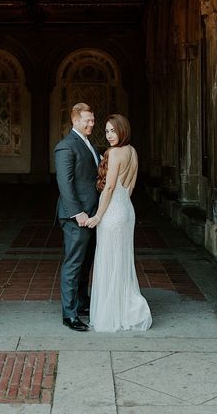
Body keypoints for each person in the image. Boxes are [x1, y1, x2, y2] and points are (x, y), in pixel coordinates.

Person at [86, 114, 152, 332]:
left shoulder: (115, 153)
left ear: (122, 130)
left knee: (109, 260)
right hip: (126, 210)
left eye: (113, 131)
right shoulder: (133, 151)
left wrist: (98, 216)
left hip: (112, 213)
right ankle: (125, 307)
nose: (109, 135)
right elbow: (130, 187)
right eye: (106, 131)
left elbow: (110, 187)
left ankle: (112, 312)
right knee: (122, 260)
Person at [54, 102, 100, 332]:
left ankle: (82, 303)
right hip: (76, 217)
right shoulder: (66, 146)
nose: (91, 123)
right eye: (87, 120)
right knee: (73, 264)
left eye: (92, 120)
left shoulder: (88, 144)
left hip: (92, 215)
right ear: (75, 120)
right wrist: (78, 213)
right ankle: (69, 314)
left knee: (85, 263)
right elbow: (65, 184)